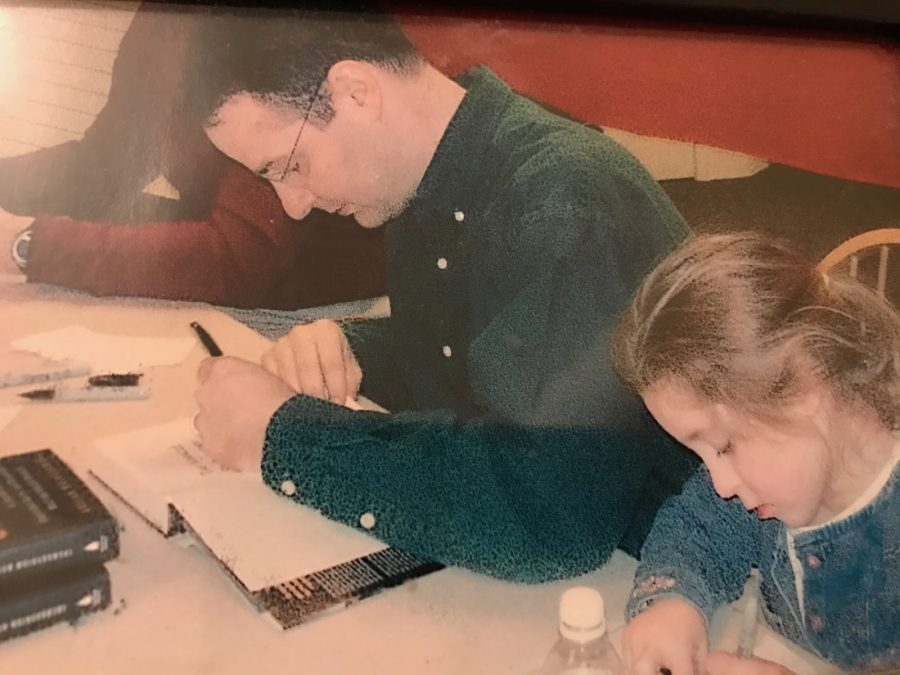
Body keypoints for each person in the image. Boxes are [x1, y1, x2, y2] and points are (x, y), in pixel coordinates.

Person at [190, 7, 698, 582]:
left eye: (290, 166)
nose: (293, 204)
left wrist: (281, 435)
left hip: (684, 576)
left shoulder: (564, 202)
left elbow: (546, 518)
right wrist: (353, 350)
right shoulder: (420, 185)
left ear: (356, 92)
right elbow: (476, 363)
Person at [612, 232, 899, 674]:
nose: (721, 484)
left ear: (805, 383)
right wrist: (670, 604)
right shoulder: (771, 485)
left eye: (724, 445)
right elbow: (696, 529)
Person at [0, 3, 386, 309]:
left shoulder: (269, 28)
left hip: (332, 317)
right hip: (219, 290)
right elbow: (106, 164)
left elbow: (237, 260)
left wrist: (33, 244)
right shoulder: (161, 25)